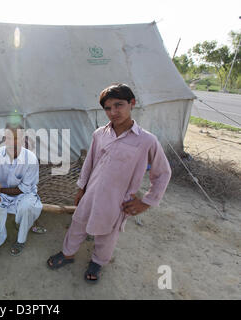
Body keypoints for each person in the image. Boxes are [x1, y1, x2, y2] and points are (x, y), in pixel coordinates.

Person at [47, 83, 172, 283]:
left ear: (132, 103)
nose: (113, 112)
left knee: (107, 234)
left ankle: (97, 262)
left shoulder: (147, 141)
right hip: (91, 193)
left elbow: (163, 173)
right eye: (107, 108)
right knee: (78, 223)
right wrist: (81, 188)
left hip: (118, 199)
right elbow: (89, 163)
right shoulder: (100, 134)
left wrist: (146, 202)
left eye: (119, 105)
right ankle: (68, 254)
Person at [0, 124, 43, 261]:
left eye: (17, 138)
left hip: (23, 194)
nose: (13, 142)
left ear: (23, 139)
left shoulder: (31, 159)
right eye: (9, 138)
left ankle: (21, 240)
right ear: (5, 138)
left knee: (27, 207)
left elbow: (23, 189)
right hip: (1, 194)